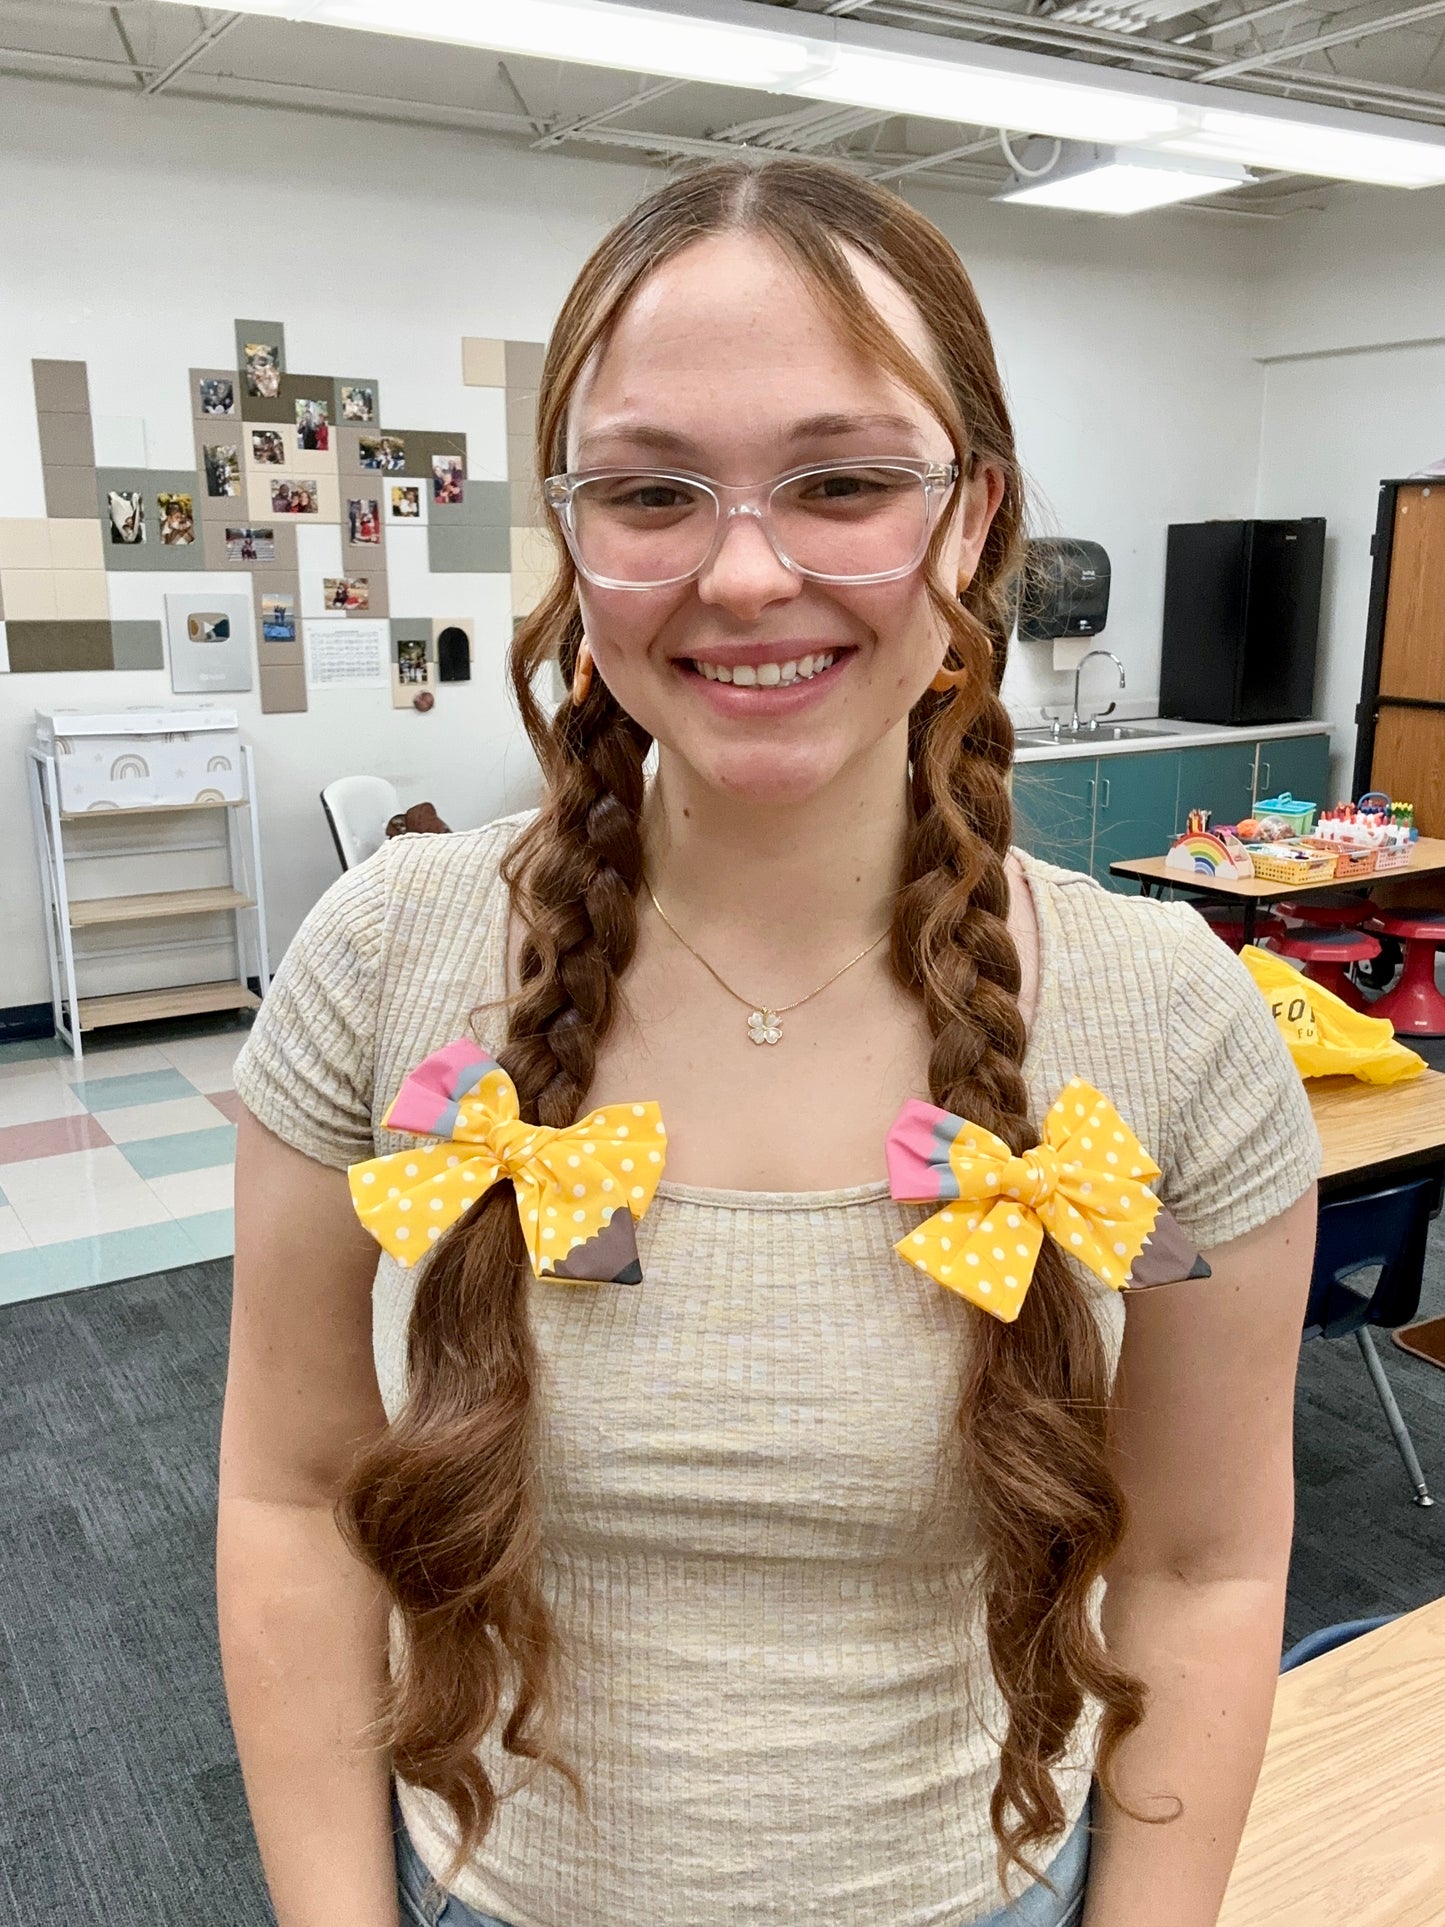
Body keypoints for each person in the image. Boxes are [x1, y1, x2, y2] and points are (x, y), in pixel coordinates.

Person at [223, 157, 1319, 1927]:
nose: (745, 574)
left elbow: (1200, 1566)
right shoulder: (383, 958)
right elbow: (288, 1499)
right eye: (653, 492)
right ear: (575, 536)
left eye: (843, 481)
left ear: (970, 519)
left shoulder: (1171, 1018)